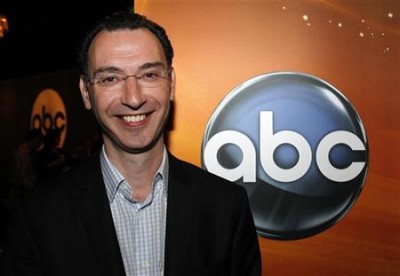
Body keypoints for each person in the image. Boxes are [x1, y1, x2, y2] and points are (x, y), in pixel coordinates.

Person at [0, 8, 262, 276]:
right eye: (110, 78)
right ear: (86, 93)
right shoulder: (37, 218)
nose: (134, 98)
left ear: (171, 83)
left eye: (149, 75)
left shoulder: (226, 206)